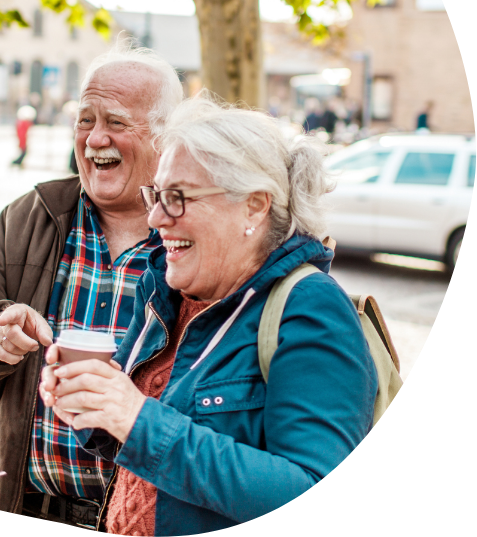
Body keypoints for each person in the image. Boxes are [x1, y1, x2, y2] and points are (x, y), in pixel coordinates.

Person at [41, 93, 378, 535]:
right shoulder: (166, 292)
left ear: (254, 205)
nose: (157, 217)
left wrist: (138, 419)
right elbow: (139, 441)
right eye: (156, 195)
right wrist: (91, 406)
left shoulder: (309, 307)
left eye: (178, 197)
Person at [0, 37, 183, 524]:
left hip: (146, 523)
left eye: (115, 122)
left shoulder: (189, 235)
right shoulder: (33, 216)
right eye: (85, 120)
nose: (94, 138)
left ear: (164, 136)